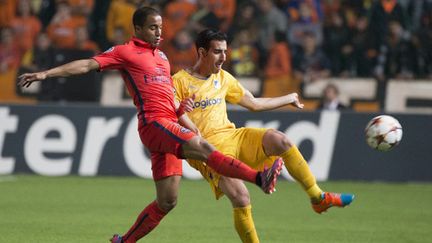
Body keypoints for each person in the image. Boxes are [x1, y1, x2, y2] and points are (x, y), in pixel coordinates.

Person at [17, 7, 284, 243]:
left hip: (169, 125)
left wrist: (181, 110)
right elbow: (88, 64)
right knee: (203, 146)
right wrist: (45, 73)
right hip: (155, 124)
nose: (159, 32)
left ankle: (124, 241)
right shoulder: (125, 52)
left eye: (161, 27)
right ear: (138, 29)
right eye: (153, 27)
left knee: (167, 201)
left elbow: (166, 95)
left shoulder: (163, 57)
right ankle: (258, 177)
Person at [172, 29, 355, 243]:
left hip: (233, 137)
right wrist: (184, 115)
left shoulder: (223, 78)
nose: (223, 57)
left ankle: (318, 198)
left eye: (225, 51)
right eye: (217, 52)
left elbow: (254, 103)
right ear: (202, 52)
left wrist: (288, 98)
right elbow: (169, 116)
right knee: (241, 197)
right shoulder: (179, 81)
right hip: (206, 151)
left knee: (281, 141)